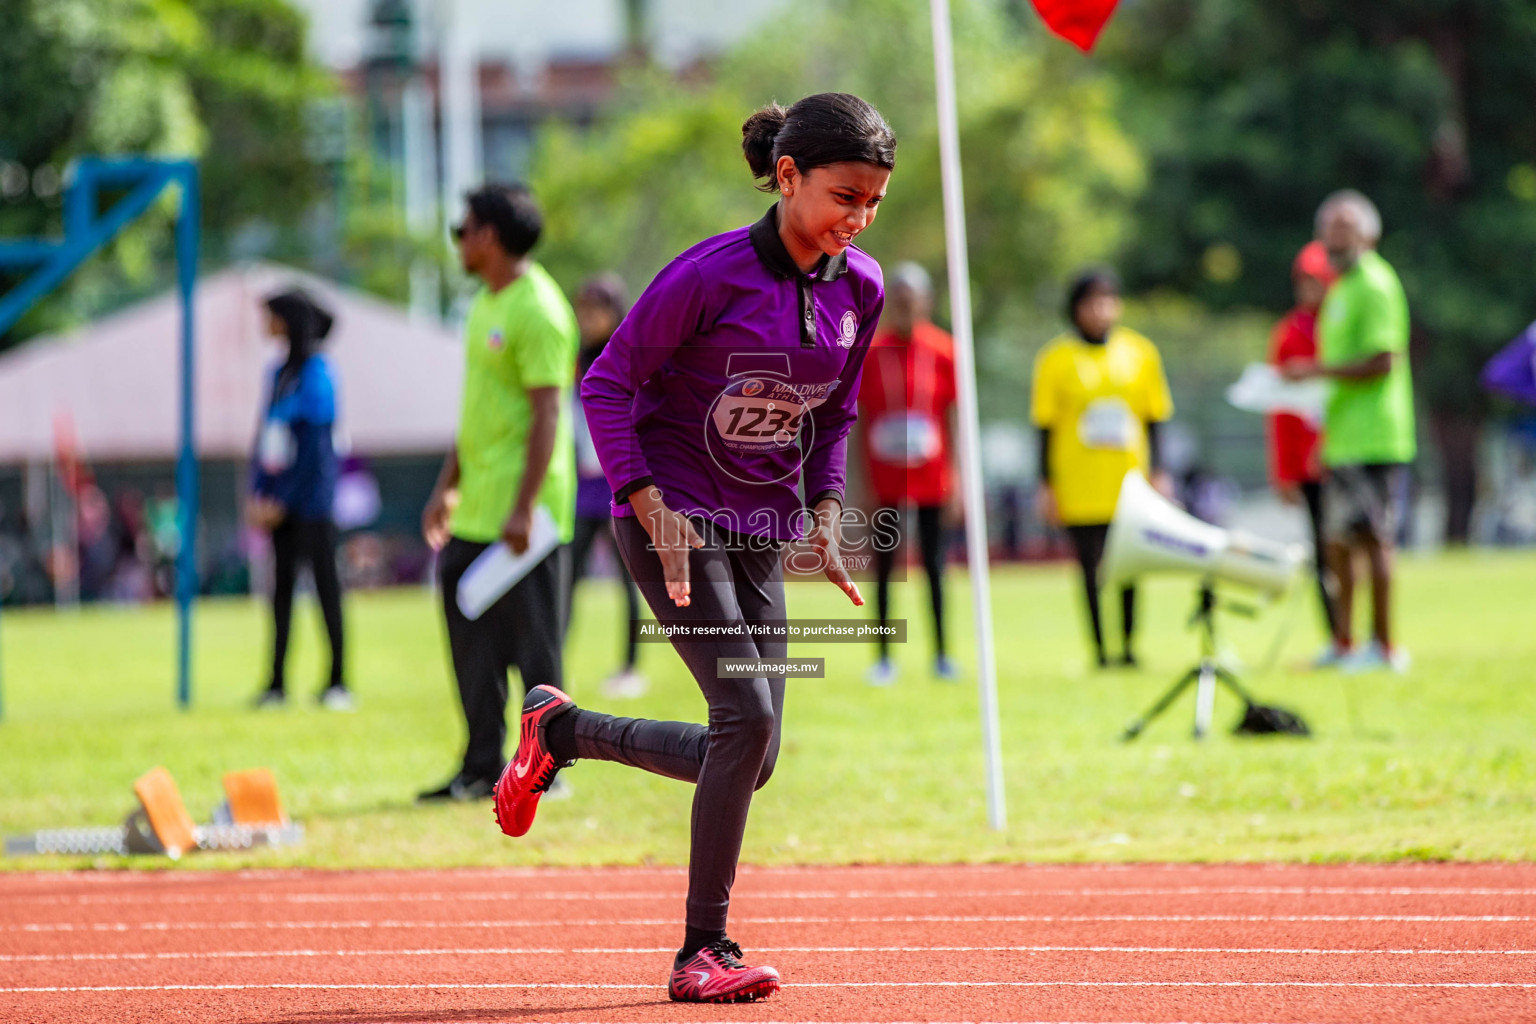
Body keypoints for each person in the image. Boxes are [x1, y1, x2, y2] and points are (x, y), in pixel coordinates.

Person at [493, 92, 893, 1003]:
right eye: (843, 196)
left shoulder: (861, 287)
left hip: (760, 527)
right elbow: (606, 383)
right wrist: (647, 503)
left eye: (872, 203)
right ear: (787, 177)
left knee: (757, 749)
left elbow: (834, 416)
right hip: (671, 517)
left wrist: (826, 507)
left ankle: (561, 731)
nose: (858, 219)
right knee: (744, 723)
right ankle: (700, 953)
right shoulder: (709, 277)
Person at [418, 183, 578, 801]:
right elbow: (479, 412)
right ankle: (480, 766)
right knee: (470, 638)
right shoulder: (486, 303)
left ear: (488, 236)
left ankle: (549, 772)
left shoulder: (538, 308)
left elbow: (547, 415)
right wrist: (445, 488)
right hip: (478, 508)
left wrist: (523, 507)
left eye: (464, 229)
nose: (459, 241)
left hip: (526, 515)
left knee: (535, 648)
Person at [1282, 190, 1415, 673]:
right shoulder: (1340, 289)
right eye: (1329, 230)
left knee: (1374, 539)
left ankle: (1384, 648)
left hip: (1377, 436)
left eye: (1346, 230)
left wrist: (1315, 373)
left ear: (1369, 234)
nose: (1336, 240)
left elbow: (1383, 360)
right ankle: (1344, 643)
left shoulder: (1377, 284)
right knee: (1337, 543)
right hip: (1342, 438)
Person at [1032, 269, 1174, 669]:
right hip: (1079, 480)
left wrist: (1160, 471)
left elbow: (1155, 416)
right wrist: (1046, 483)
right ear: (1075, 309)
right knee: (1089, 568)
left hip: (1128, 479)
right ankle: (1100, 649)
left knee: (1131, 564)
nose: (1100, 310)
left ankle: (1129, 647)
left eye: (1108, 300)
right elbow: (1043, 425)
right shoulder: (1055, 359)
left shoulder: (1141, 352)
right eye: (1091, 302)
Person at [247, 288, 350, 710]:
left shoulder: (319, 374)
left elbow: (313, 450)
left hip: (312, 504)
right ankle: (275, 684)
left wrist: (284, 499)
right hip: (280, 507)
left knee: (326, 588)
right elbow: (267, 439)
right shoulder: (277, 374)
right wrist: (260, 495)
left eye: (269, 316)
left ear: (286, 320)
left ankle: (338, 682)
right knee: (281, 594)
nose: (263, 324)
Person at [857, 261, 959, 685]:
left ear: (927, 302)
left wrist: (959, 479)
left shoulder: (944, 350)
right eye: (898, 299)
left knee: (935, 566)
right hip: (884, 478)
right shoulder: (871, 352)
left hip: (933, 476)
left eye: (912, 299)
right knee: (883, 568)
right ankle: (883, 657)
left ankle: (940, 655)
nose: (905, 306)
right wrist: (857, 483)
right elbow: (857, 420)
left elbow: (954, 418)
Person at [565, 273, 647, 699]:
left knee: (628, 580)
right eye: (583, 309)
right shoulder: (576, 357)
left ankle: (631, 667)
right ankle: (554, 668)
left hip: (621, 483)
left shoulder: (625, 355)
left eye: (595, 309)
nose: (587, 318)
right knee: (568, 576)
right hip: (583, 487)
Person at [1268, 241, 1340, 646]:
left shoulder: (1342, 325)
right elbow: (1278, 411)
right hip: (1306, 464)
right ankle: (1334, 634)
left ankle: (1357, 633)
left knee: (1351, 546)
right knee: (1322, 551)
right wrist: (1283, 471)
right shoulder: (1288, 333)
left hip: (1344, 454)